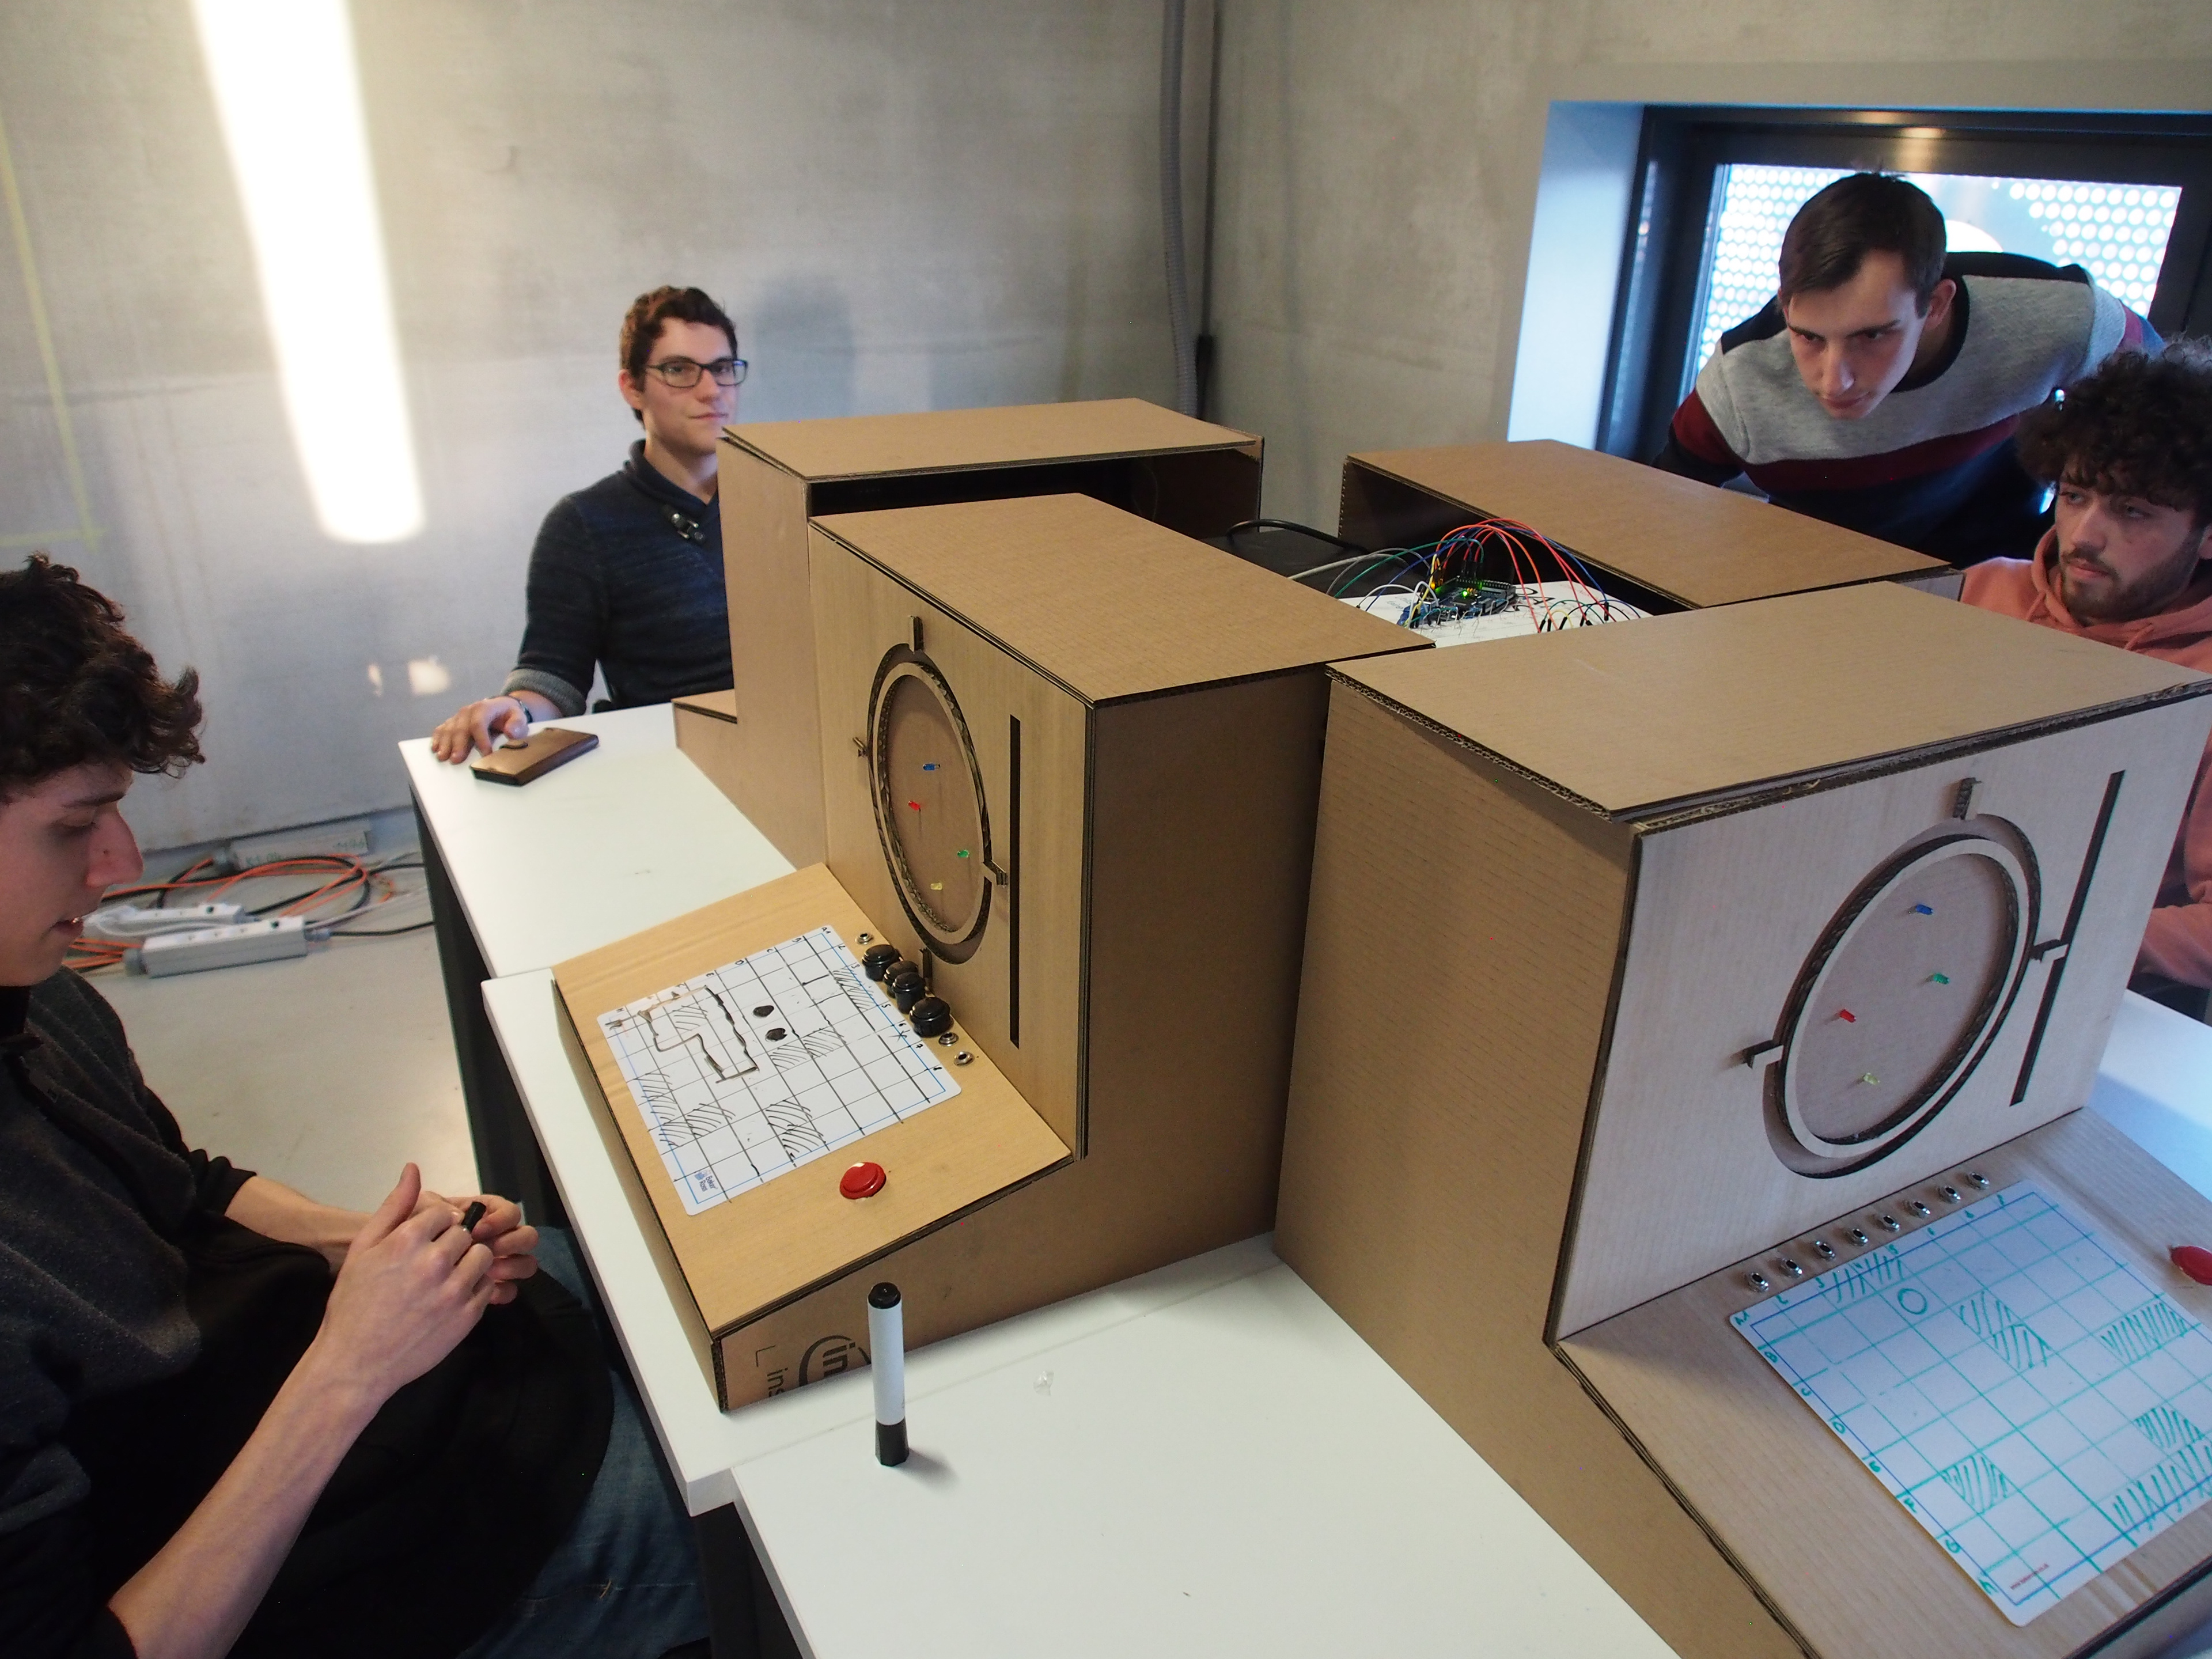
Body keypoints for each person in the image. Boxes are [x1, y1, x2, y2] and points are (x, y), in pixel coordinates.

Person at [0, 554, 711, 1657]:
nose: (121, 863)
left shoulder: (39, 997)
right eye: (73, 825)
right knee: (758, 1524)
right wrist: (350, 1368)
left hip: (326, 1403)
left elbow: (185, 1190)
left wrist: (370, 1244)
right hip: (308, 1560)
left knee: (663, 1285)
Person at [1653, 172, 2157, 566]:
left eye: (1872, 336)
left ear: (1935, 305)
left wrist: (2060, 547)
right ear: (1785, 307)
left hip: (2002, 578)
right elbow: (1656, 507)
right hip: (1818, 584)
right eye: (1809, 337)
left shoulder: (2062, 320)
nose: (1834, 381)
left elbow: (2172, 416)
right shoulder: (1740, 379)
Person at [1960, 340, 2212, 1014]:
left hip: (2092, 984)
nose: (2085, 536)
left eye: (2132, 511)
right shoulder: (1982, 591)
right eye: (2074, 496)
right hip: (1928, 919)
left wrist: (2060, 936)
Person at [431, 286, 746, 763]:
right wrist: (514, 708)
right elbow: (553, 677)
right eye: (680, 370)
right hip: (674, 765)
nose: (711, 390)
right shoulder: (584, 524)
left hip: (799, 751)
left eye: (722, 368)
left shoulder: (780, 500)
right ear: (632, 387)